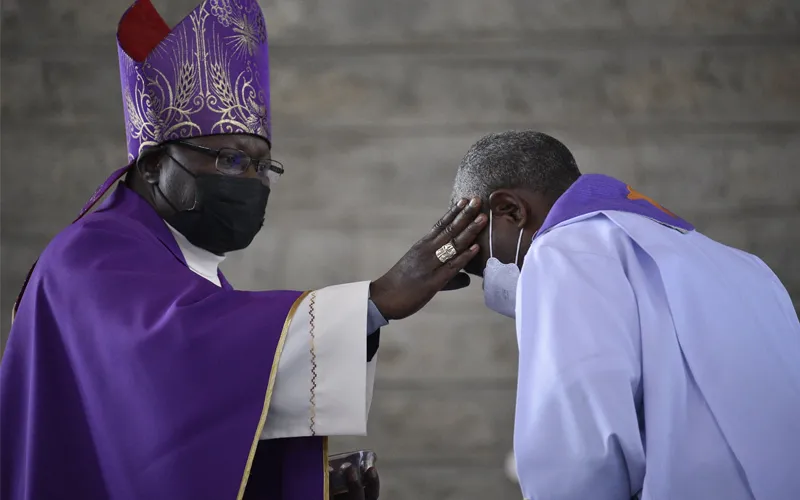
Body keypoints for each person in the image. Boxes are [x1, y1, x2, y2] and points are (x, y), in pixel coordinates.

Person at [0, 1, 487, 499]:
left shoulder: (180, 264)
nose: (253, 183)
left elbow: (188, 428)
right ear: (151, 166)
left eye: (262, 167)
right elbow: (180, 362)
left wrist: (300, 486)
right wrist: (375, 300)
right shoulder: (88, 257)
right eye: (231, 160)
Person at [451, 130, 800, 500]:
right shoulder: (744, 266)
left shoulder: (561, 251)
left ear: (510, 210)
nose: (492, 283)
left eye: (483, 263)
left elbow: (580, 451)